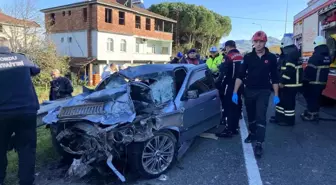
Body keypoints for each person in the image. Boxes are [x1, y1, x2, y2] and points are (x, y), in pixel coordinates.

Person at [232, 31, 280, 157]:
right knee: (251, 116)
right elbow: (240, 76)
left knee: (261, 116)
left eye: (261, 42)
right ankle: (252, 133)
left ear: (265, 42)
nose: (258, 44)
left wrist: (276, 94)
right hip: (249, 91)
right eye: (256, 42)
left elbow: (275, 77)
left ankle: (259, 143)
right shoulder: (248, 57)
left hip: (263, 91)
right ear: (253, 42)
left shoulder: (271, 58)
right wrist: (235, 92)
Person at [0, 45, 40, 185]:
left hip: (2, 112)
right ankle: (26, 181)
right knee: (27, 148)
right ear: (9, 48)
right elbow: (36, 70)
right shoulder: (22, 58)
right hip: (26, 110)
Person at [269, 36, 302, 126]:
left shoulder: (290, 54)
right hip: (286, 83)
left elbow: (289, 70)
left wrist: (283, 82)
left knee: (288, 103)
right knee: (281, 101)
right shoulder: (290, 52)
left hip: (290, 84)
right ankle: (279, 117)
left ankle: (288, 121)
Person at [216, 40, 243, 137]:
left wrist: (219, 85)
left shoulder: (228, 57)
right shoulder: (241, 56)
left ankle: (228, 129)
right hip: (240, 85)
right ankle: (235, 127)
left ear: (227, 47)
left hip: (230, 85)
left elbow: (224, 73)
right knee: (236, 106)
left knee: (228, 106)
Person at [301, 36, 331, 121]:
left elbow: (309, 71)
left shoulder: (315, 57)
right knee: (317, 98)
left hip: (314, 83)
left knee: (311, 99)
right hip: (323, 82)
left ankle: (311, 115)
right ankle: (315, 113)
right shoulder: (327, 56)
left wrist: (304, 79)